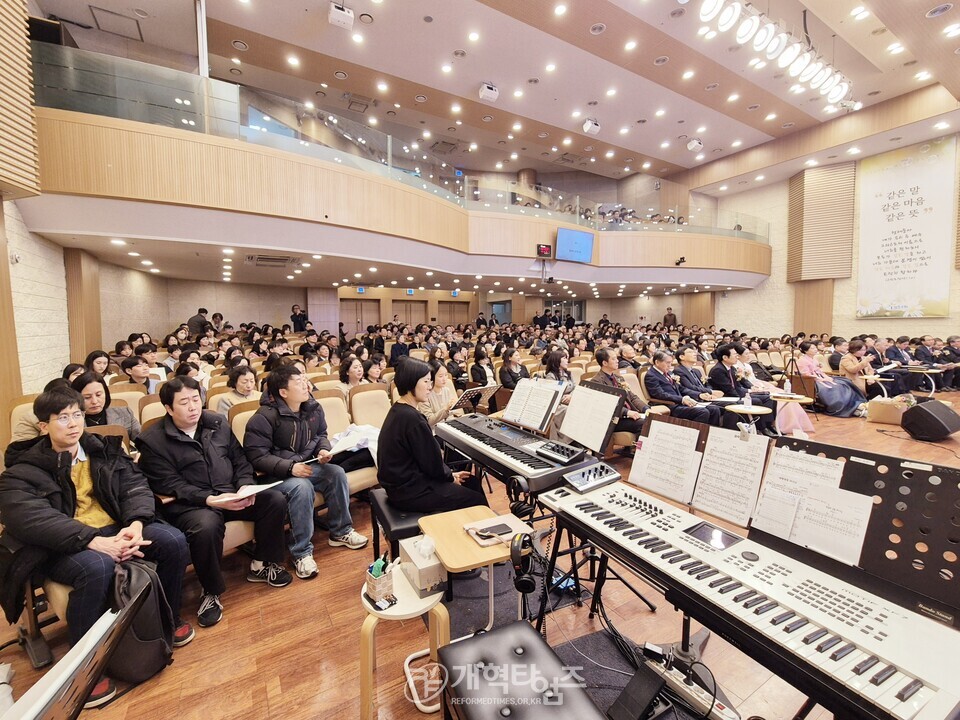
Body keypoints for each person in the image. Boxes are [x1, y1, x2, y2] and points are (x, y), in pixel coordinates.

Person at [0, 389, 194, 708]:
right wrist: (92, 541)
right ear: (43, 426)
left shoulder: (103, 449)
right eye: (63, 417)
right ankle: (83, 665)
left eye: (77, 414)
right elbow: (32, 519)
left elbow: (135, 486)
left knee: (172, 540)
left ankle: (166, 620)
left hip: (115, 527)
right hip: (61, 544)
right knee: (97, 566)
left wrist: (135, 523)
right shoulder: (22, 469)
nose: (74, 423)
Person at [136, 377, 291, 629]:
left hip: (229, 492)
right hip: (192, 504)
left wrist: (244, 485)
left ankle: (262, 564)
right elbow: (170, 484)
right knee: (206, 526)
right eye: (184, 402)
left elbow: (239, 459)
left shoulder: (217, 423)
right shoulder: (153, 441)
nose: (192, 407)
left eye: (196, 399)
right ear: (169, 408)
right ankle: (211, 591)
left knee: (274, 499)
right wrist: (209, 499)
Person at [243, 364, 367, 580]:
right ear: (283, 392)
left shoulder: (313, 407)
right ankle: (301, 552)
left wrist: (323, 450)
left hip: (305, 464)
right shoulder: (263, 417)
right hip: (275, 475)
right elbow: (257, 456)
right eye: (299, 383)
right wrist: (290, 467)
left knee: (336, 473)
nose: (306, 386)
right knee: (301, 487)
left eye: (305, 380)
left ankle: (341, 531)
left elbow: (321, 434)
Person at [377, 358, 486, 512]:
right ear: (411, 382)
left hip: (404, 484)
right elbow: (432, 463)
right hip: (410, 491)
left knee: (471, 481)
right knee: (476, 499)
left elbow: (428, 463)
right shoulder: (413, 419)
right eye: (426, 381)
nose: (430, 386)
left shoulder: (398, 409)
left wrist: (450, 475)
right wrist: (450, 477)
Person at [591, 348, 668, 442]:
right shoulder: (597, 381)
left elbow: (633, 397)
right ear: (605, 363)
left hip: (629, 414)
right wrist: (627, 412)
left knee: (655, 419)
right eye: (614, 359)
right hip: (614, 419)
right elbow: (606, 405)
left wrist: (646, 409)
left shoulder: (618, 378)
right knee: (645, 424)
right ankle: (639, 450)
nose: (617, 361)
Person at [708, 344, 779, 435]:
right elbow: (729, 389)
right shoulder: (718, 370)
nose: (737, 357)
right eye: (734, 355)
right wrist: (746, 394)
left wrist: (752, 387)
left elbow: (743, 380)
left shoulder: (731, 367)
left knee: (769, 397)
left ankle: (768, 425)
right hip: (728, 396)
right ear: (725, 357)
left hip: (737, 393)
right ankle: (761, 428)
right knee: (756, 400)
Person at [644, 351, 723, 426]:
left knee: (714, 409)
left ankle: (711, 433)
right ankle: (695, 434)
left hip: (680, 402)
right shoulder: (651, 376)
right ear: (657, 362)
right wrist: (681, 399)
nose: (670, 365)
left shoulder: (668, 373)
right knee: (703, 412)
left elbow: (681, 389)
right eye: (667, 363)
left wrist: (699, 395)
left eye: (671, 362)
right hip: (670, 404)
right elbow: (660, 394)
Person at [796, 341, 864, 417]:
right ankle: (839, 407)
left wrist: (826, 377)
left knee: (844, 382)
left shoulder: (814, 359)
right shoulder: (801, 361)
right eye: (812, 348)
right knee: (834, 388)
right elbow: (805, 374)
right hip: (812, 380)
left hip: (820, 377)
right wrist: (821, 379)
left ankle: (853, 404)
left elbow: (820, 371)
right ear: (806, 351)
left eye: (815, 347)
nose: (815, 349)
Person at [71, 371, 141, 441]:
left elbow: (142, 440)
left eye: (98, 395)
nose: (94, 401)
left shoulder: (124, 413)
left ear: (106, 393)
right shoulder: (71, 421)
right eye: (87, 397)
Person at [419, 359, 462, 429]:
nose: (444, 379)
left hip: (448, 427)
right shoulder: (425, 394)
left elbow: (451, 415)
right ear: (431, 377)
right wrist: (446, 410)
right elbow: (429, 421)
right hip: (434, 430)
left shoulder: (446, 390)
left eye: (446, 375)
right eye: (440, 376)